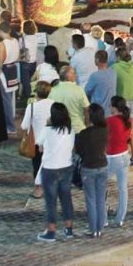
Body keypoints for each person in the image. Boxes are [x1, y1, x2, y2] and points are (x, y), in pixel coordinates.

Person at [36, 102, 75, 241]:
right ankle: (69, 229)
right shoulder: (70, 129)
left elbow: (39, 146)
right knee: (66, 198)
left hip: (50, 169)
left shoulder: (47, 130)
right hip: (66, 166)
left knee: (51, 201)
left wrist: (47, 124)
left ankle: (51, 231)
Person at [76, 103, 109, 237]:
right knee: (101, 199)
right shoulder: (105, 130)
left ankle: (93, 229)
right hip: (103, 166)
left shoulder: (84, 134)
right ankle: (100, 228)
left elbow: (78, 150)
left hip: (88, 168)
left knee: (90, 199)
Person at [106, 96, 133, 229]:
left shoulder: (109, 121)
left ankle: (103, 219)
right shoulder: (128, 120)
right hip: (125, 155)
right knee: (123, 189)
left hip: (112, 157)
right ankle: (120, 219)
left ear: (114, 107)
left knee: (100, 187)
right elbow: (131, 137)